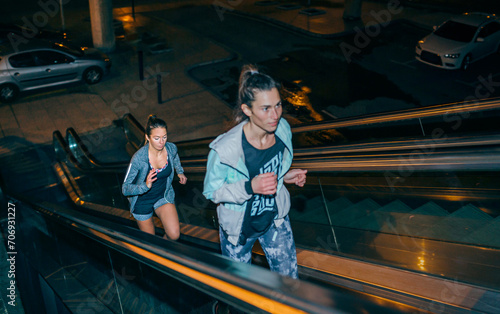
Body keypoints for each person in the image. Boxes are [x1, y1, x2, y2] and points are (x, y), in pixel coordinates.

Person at [203, 65, 307, 279]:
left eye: (278, 105)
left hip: (275, 218)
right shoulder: (224, 150)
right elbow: (211, 192)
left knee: (289, 282)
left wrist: (285, 176)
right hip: (239, 227)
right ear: (247, 110)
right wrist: (250, 187)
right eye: (266, 108)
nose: (275, 115)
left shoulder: (283, 130)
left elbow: (270, 170)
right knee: (240, 288)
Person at [122, 115, 187, 240]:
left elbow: (175, 156)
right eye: (157, 138)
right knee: (151, 242)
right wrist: (145, 186)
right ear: (147, 137)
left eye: (164, 137)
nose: (162, 142)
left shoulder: (170, 148)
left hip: (162, 196)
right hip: (142, 202)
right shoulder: (139, 159)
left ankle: (163, 251)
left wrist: (180, 172)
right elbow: (125, 189)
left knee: (174, 235)